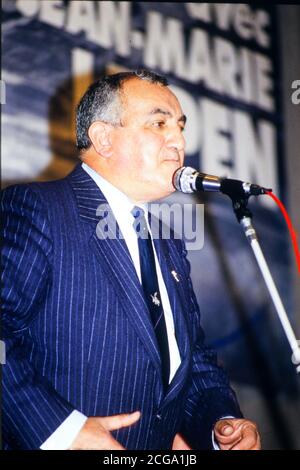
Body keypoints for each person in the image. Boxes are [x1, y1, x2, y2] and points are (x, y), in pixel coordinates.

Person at [1, 69, 260, 450]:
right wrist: (62, 432)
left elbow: (190, 361)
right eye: (159, 123)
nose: (179, 140)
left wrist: (221, 422)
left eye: (180, 126)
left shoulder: (168, 241)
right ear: (103, 138)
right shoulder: (38, 209)